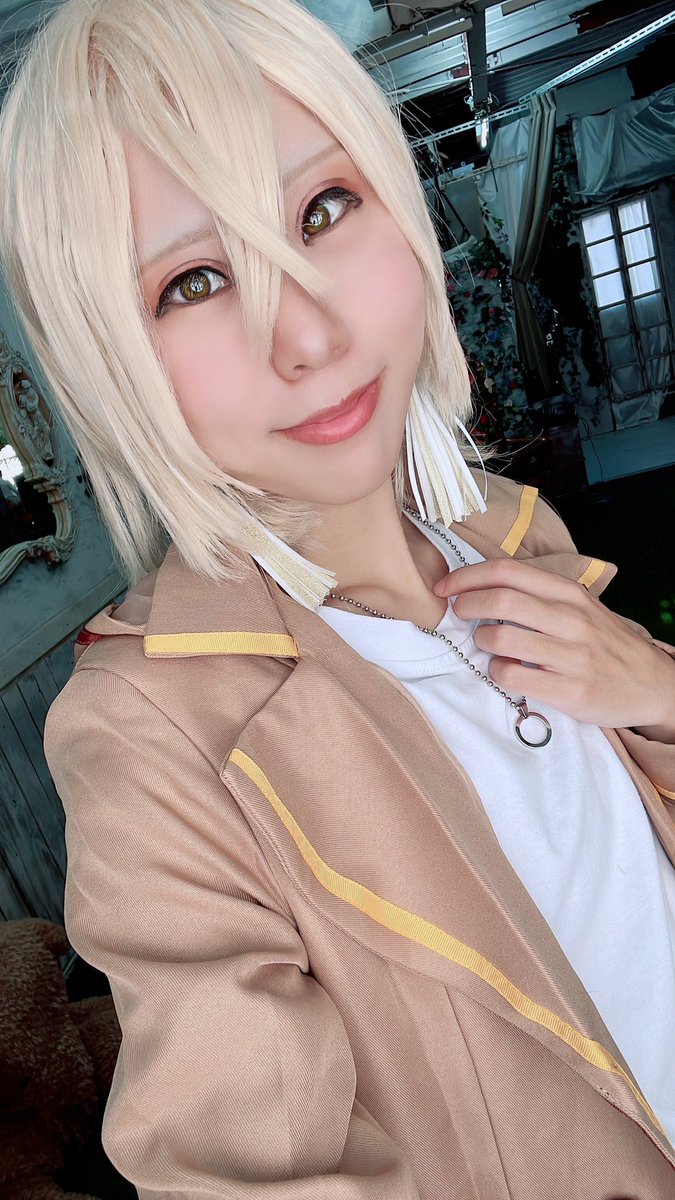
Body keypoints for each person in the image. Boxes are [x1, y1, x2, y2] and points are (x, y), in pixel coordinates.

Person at [1, 1, 674, 1195]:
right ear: (110, 358)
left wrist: (659, 690)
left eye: (322, 209)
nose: (306, 330)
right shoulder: (146, 736)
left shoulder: (509, 529)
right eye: (194, 281)